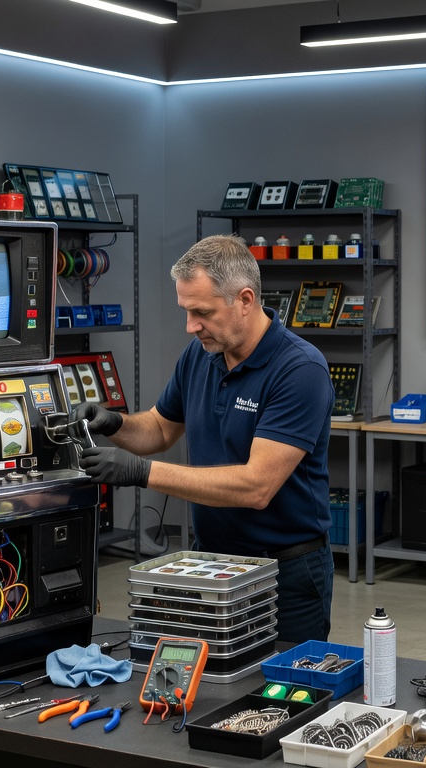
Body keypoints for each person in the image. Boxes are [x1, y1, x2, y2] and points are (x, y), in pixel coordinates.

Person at [76, 234, 335, 643]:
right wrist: (113, 424)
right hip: (212, 564)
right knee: (211, 673)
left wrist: (142, 472)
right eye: (186, 311)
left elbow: (256, 486)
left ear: (245, 300)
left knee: (283, 679)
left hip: (284, 572)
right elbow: (160, 428)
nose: (191, 326)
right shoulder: (201, 354)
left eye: (202, 312)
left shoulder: (300, 369)